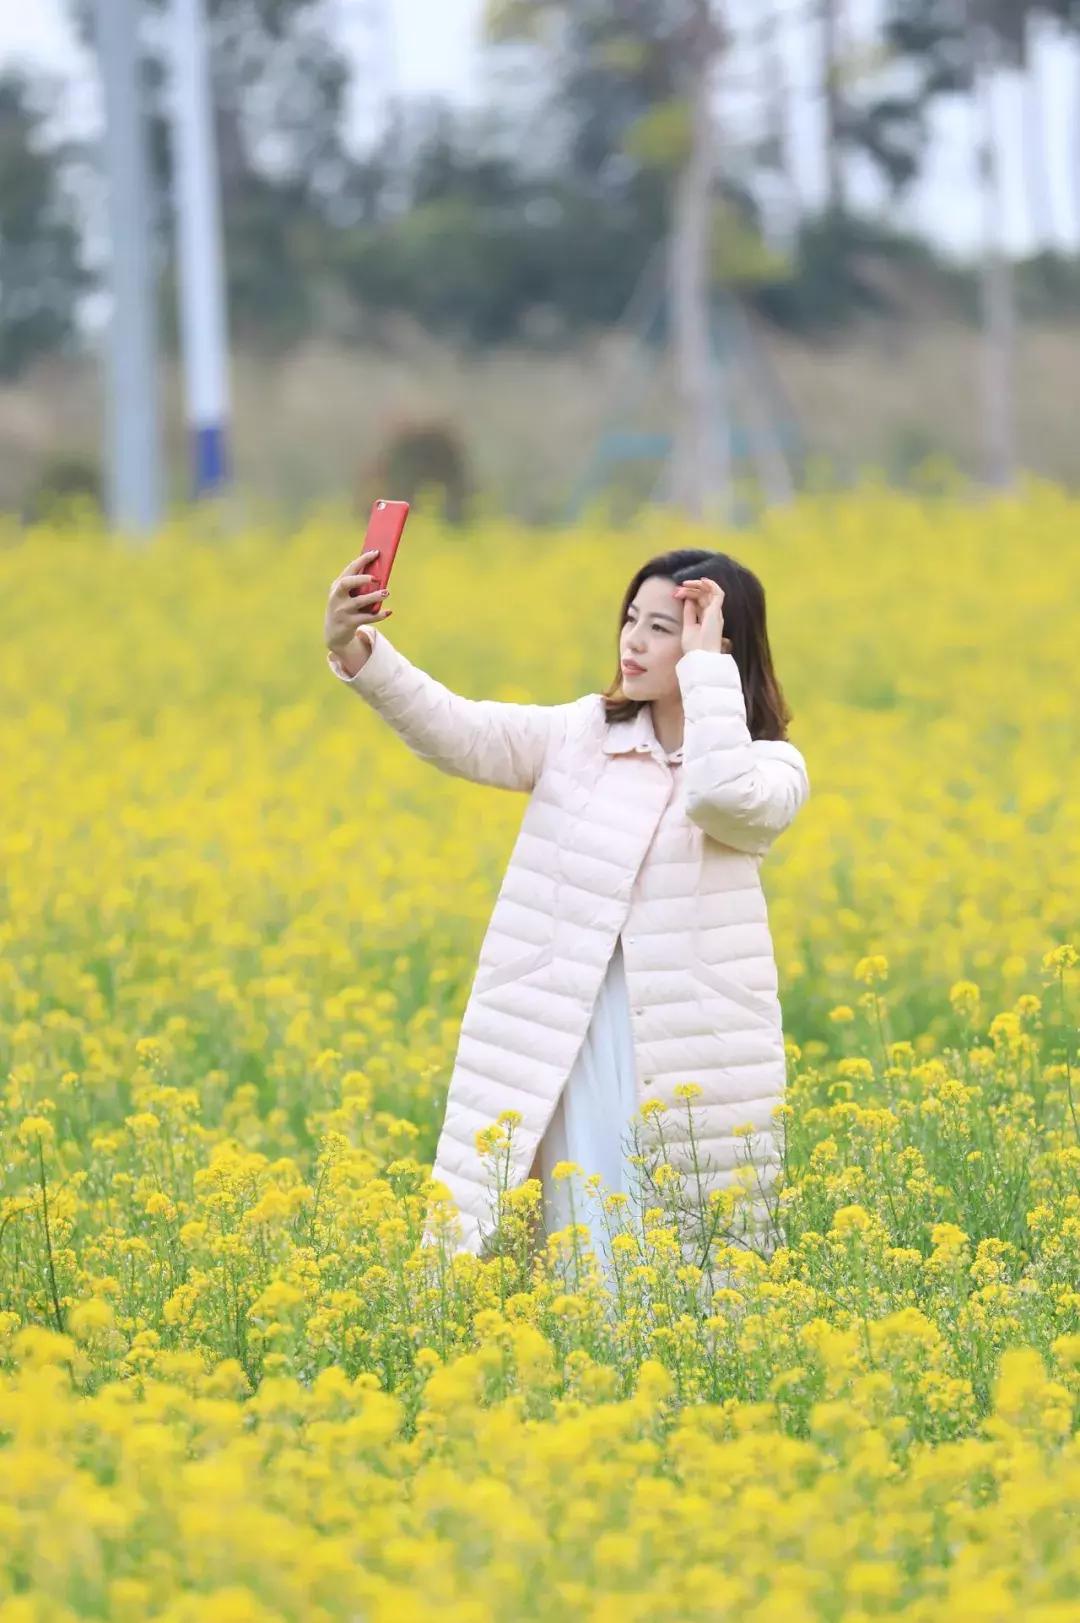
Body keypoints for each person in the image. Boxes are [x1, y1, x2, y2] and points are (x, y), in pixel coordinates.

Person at [324, 543, 810, 1268]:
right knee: (574, 1237)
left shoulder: (770, 767)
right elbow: (460, 732)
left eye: (661, 628)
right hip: (566, 1036)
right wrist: (359, 650)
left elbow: (716, 798)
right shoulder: (583, 736)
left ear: (716, 646)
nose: (633, 641)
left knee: (688, 1259)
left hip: (679, 1049)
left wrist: (707, 676)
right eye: (630, 619)